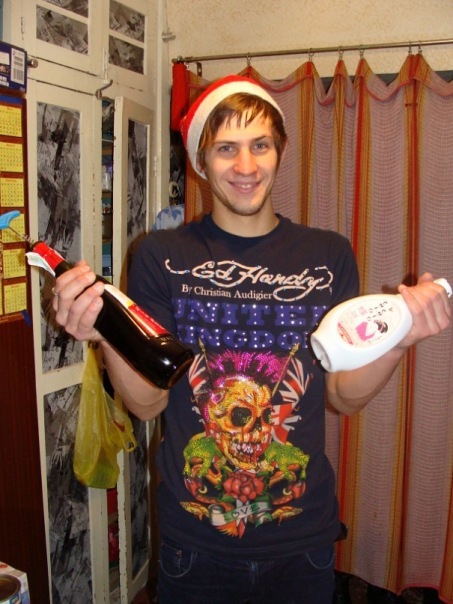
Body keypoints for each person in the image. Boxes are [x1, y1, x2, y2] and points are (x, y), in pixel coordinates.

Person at [52, 75, 451, 604]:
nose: (246, 166)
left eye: (260, 145)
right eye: (226, 149)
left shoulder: (327, 255)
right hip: (195, 546)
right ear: (200, 160)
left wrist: (400, 338)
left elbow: (343, 395)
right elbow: (147, 403)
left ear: (279, 151)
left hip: (302, 542)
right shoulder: (159, 255)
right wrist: (103, 331)